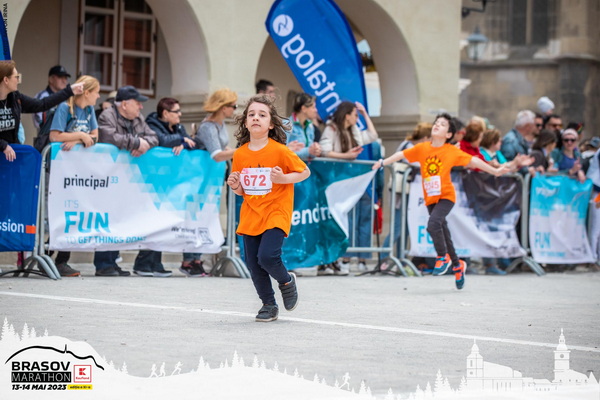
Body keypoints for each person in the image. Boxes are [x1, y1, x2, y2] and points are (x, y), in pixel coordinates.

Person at [374, 113, 511, 290]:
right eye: (436, 123)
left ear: (448, 134)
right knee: (444, 233)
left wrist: (495, 171)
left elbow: (473, 160)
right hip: (430, 197)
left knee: (433, 224)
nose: (437, 125)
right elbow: (402, 154)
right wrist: (383, 162)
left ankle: (442, 257)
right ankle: (458, 265)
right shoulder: (422, 148)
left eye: (442, 124)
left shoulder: (451, 151)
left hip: (446, 196)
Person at [226, 94, 309, 322]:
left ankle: (286, 281)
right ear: (245, 122)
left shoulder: (280, 151)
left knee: (267, 257)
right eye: (251, 114)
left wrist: (283, 179)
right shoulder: (240, 153)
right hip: (251, 213)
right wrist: (235, 185)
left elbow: (304, 171)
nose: (256, 118)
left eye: (262, 115)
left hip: (276, 210)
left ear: (271, 124)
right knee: (254, 263)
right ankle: (268, 305)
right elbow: (243, 191)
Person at [95, 85, 165, 277]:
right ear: (124, 104)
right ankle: (103, 264)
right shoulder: (107, 115)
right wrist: (135, 143)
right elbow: (108, 136)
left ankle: (113, 262)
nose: (141, 107)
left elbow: (153, 137)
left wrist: (144, 145)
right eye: (137, 103)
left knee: (119, 218)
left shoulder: (138, 118)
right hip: (107, 175)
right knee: (108, 218)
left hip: (127, 178)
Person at [46, 75, 101, 277]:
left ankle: (61, 260)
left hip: (80, 170)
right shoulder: (65, 108)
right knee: (60, 213)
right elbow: (55, 135)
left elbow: (95, 136)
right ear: (86, 92)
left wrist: (78, 140)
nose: (98, 96)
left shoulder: (89, 110)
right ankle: (46, 254)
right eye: (96, 92)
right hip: (61, 170)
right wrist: (81, 136)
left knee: (74, 212)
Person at [320, 100, 379, 274]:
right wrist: (346, 155)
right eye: (355, 114)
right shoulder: (331, 129)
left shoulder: (353, 131)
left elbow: (372, 135)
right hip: (335, 180)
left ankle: (351, 257)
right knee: (339, 217)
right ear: (347, 116)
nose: (357, 118)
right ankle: (337, 258)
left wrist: (365, 114)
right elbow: (325, 151)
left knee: (354, 216)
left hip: (351, 180)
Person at [0, 60, 83, 162]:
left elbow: (42, 104)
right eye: (16, 77)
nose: (18, 80)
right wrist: (3, 145)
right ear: (6, 80)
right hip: (5, 151)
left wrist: (69, 91)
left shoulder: (15, 97)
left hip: (10, 157)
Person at [381, 122, 431, 262]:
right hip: (400, 191)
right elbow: (418, 163)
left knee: (406, 227)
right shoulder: (408, 146)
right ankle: (383, 258)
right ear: (425, 138)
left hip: (408, 191)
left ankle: (400, 258)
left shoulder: (410, 145)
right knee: (397, 226)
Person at [32, 65, 71, 131]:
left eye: (65, 78)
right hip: (46, 135)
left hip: (65, 134)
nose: (64, 81)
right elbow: (38, 121)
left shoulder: (68, 98)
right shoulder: (42, 96)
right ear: (51, 79)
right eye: (60, 77)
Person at [286, 92, 321, 161]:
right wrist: (308, 151)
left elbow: (310, 152)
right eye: (313, 107)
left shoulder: (310, 126)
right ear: (304, 108)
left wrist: (315, 150)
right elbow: (281, 151)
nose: (316, 110)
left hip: (304, 166)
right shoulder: (286, 124)